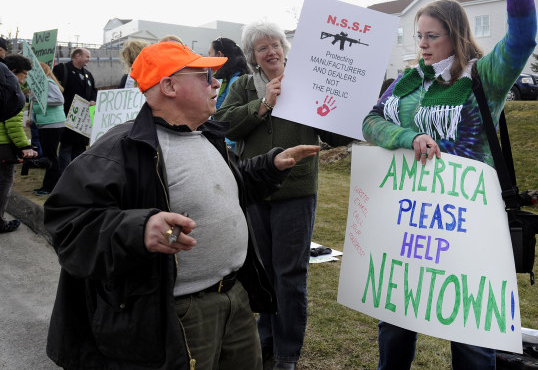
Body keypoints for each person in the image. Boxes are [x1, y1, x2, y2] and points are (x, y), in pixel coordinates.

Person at [44, 41, 321, 369]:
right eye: (205, 75)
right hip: (179, 312)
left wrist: (270, 166)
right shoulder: (121, 149)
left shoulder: (205, 135)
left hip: (235, 299)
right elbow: (67, 224)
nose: (216, 83)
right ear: (169, 85)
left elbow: (229, 188)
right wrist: (142, 228)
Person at [362, 0, 536, 370]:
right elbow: (370, 122)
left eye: (431, 36)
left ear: (454, 34)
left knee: (470, 328)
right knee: (396, 317)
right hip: (410, 222)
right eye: (417, 36)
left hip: (467, 222)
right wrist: (408, 135)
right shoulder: (406, 82)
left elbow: (523, 37)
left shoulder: (484, 76)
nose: (422, 44)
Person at [215, 21, 351, 370]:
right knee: (263, 271)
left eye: (276, 44)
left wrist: (342, 109)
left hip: (296, 189)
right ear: (253, 57)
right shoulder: (245, 86)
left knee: (290, 274)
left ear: (285, 48)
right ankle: (266, 342)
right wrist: (262, 104)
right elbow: (222, 124)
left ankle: (287, 353)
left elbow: (334, 137)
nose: (271, 51)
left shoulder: (308, 83)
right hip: (254, 189)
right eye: (263, 48)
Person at [0, 54, 38, 233]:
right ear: (13, 72)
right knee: (4, 184)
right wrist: (26, 146)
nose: (26, 78)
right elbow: (13, 126)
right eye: (24, 74)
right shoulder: (12, 92)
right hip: (3, 148)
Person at [52, 48, 97, 171]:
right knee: (66, 147)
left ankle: (77, 174)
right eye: (87, 56)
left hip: (83, 119)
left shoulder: (88, 74)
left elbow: (94, 90)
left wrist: (93, 100)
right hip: (67, 116)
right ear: (77, 56)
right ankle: (63, 175)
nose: (89, 59)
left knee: (80, 148)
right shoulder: (61, 70)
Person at [29, 62, 66, 196]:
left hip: (53, 124)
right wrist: (32, 118)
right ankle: (49, 186)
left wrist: (38, 100)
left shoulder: (48, 83)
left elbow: (59, 100)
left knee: (50, 157)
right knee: (49, 156)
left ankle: (50, 187)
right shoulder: (41, 84)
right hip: (47, 124)